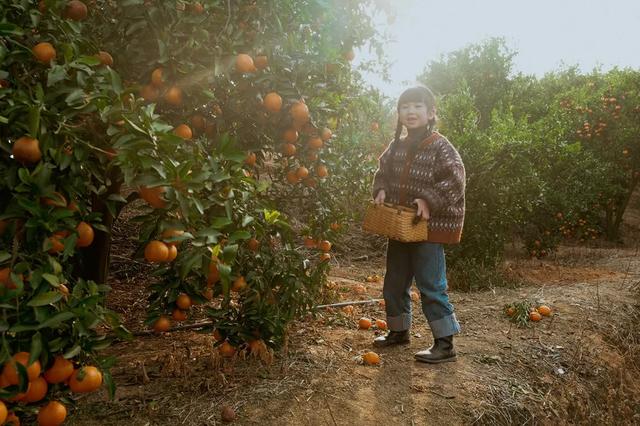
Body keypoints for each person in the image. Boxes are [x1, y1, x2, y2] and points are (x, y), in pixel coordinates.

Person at [371, 86, 466, 363]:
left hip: (428, 228)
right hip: (400, 226)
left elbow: (455, 180)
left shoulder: (440, 146)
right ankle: (398, 331)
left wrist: (427, 200)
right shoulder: (396, 146)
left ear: (431, 113)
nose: (410, 112)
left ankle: (445, 343)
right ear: (399, 113)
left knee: (430, 284)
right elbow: (383, 172)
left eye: (417, 107)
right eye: (405, 107)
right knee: (395, 281)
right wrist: (381, 189)